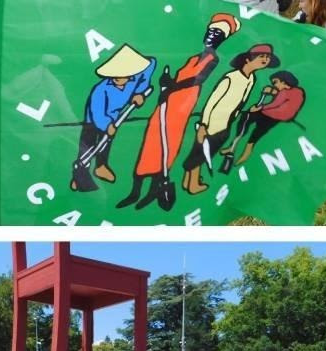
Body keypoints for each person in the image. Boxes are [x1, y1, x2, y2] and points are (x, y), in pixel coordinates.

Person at [117, 13, 239, 209]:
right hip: (166, 102)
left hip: (181, 107)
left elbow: (195, 80)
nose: (211, 35)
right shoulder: (194, 56)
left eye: (216, 33)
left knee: (168, 145)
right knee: (151, 142)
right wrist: (168, 83)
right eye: (210, 31)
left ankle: (153, 191)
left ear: (221, 38)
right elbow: (182, 77)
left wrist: (171, 86)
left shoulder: (212, 59)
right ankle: (135, 191)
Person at [181, 44, 276, 195]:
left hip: (227, 122)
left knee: (205, 152)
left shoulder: (251, 79)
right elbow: (212, 101)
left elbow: (240, 102)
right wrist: (203, 125)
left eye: (267, 57)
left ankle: (188, 181)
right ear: (247, 59)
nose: (265, 59)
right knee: (201, 152)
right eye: (261, 56)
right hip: (213, 122)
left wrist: (249, 110)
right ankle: (192, 184)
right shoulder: (231, 77)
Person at [71, 45, 155, 192]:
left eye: (122, 74)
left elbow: (151, 63)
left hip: (114, 116)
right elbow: (97, 112)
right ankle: (79, 175)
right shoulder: (101, 89)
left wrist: (140, 92)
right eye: (115, 75)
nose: (118, 78)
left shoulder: (135, 77)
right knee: (89, 144)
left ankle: (101, 167)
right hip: (94, 120)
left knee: (106, 142)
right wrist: (107, 125)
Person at [223, 70, 305, 167]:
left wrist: (260, 107)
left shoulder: (288, 93)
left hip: (272, 116)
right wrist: (271, 92)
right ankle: (236, 148)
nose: (274, 85)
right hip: (274, 115)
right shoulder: (294, 91)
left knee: (252, 129)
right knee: (250, 125)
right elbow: (281, 98)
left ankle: (240, 151)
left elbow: (277, 104)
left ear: (284, 81)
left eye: (275, 82)